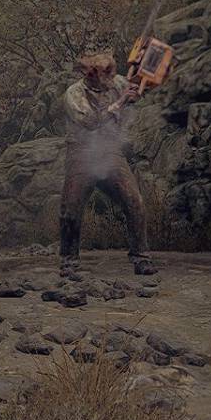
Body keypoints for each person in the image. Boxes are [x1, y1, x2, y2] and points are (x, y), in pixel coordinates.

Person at [58, 50, 155, 277]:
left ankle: (141, 256)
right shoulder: (74, 94)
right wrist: (121, 102)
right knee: (71, 208)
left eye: (113, 70)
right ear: (91, 75)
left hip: (110, 152)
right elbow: (91, 122)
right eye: (107, 73)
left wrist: (141, 80)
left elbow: (142, 87)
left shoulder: (117, 82)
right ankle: (68, 261)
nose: (113, 77)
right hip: (81, 153)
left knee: (134, 200)